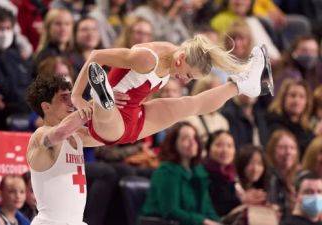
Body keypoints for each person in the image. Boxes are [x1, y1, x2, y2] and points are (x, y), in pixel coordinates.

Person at [66, 34, 272, 147]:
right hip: (115, 120)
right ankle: (102, 100)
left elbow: (138, 86)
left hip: (133, 116)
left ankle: (242, 84)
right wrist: (77, 96)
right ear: (181, 59)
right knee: (100, 125)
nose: (184, 81)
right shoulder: (147, 58)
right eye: (188, 75)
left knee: (190, 105)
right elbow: (96, 56)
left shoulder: (173, 53)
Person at [25, 76, 108, 225]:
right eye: (64, 98)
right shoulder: (40, 135)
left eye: (71, 96)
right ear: (46, 106)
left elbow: (111, 136)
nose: (72, 102)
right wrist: (94, 103)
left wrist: (117, 104)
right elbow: (59, 133)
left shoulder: (78, 135)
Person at [141, 122, 220, 225]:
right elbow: (171, 211)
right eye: (185, 138)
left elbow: (207, 208)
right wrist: (204, 221)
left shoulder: (199, 171)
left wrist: (218, 222)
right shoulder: (166, 171)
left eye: (194, 138)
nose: (192, 142)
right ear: (173, 143)